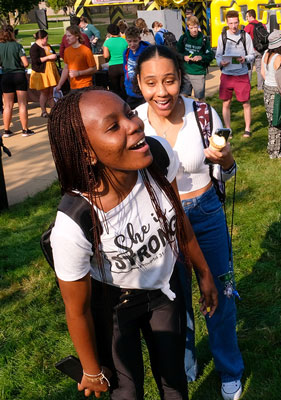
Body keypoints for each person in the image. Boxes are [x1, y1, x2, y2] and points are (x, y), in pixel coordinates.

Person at [47, 87, 218, 399]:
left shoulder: (158, 157)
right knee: (127, 391)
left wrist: (204, 273)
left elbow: (179, 220)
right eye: (114, 126)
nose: (134, 124)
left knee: (174, 382)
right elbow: (77, 309)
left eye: (129, 113)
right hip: (114, 306)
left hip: (165, 290)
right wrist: (90, 369)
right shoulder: (74, 224)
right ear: (86, 151)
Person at [134, 45, 244, 400]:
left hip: (206, 212)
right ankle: (186, 360)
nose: (161, 91)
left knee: (220, 296)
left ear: (181, 77)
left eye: (169, 80)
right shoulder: (134, 122)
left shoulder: (203, 113)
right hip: (160, 221)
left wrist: (226, 160)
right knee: (172, 299)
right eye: (151, 83)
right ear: (138, 83)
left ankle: (229, 368)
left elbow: (228, 172)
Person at [215, 10, 255, 138]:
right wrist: (221, 62)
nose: (233, 26)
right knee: (226, 102)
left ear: (239, 21)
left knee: (245, 102)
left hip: (241, 74)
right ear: (227, 23)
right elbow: (218, 56)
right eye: (231, 23)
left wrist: (245, 59)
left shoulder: (245, 36)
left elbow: (252, 55)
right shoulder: (222, 37)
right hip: (227, 75)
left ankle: (247, 129)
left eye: (236, 23)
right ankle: (228, 129)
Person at [0, 26, 33, 137]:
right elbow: (25, 63)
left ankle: (6, 130)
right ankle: (25, 130)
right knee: (22, 104)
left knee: (8, 105)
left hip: (6, 76)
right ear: (13, 33)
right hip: (18, 75)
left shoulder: (0, 46)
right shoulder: (18, 46)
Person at [261, 30, 281, 159]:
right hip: (277, 92)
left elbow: (262, 72)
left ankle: (272, 149)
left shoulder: (266, 54)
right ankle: (279, 150)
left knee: (272, 122)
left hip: (267, 89)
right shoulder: (279, 58)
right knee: (279, 121)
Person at [177, 16, 214, 100]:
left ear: (198, 26)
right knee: (183, 97)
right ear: (188, 28)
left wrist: (201, 57)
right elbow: (177, 53)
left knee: (200, 98)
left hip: (198, 73)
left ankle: (201, 113)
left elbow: (210, 55)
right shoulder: (184, 38)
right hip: (185, 72)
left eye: (195, 27)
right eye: (191, 28)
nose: (194, 30)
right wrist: (184, 57)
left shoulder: (204, 39)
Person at [56, 26, 97, 95]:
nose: (67, 39)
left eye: (69, 36)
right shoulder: (67, 51)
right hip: (73, 87)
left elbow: (94, 69)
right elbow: (66, 68)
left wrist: (79, 73)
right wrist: (59, 85)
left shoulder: (86, 50)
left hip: (86, 86)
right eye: (66, 36)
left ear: (77, 36)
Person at [29, 29, 60, 118]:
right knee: (44, 92)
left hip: (50, 71)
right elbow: (36, 61)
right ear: (41, 38)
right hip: (42, 73)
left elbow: (53, 54)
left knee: (51, 92)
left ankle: (54, 109)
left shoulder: (48, 45)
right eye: (46, 38)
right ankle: (43, 110)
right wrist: (48, 57)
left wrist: (54, 56)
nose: (47, 40)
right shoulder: (34, 48)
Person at [123, 26, 150, 109]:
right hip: (130, 90)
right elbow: (125, 69)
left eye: (135, 41)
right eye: (129, 41)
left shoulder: (147, 51)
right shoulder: (126, 52)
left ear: (139, 39)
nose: (132, 44)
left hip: (144, 90)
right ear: (126, 40)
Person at [103, 23, 128, 99]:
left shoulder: (107, 42)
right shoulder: (124, 40)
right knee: (124, 88)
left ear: (109, 33)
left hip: (113, 66)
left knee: (115, 89)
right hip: (124, 65)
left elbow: (106, 55)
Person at [244, 9, 266, 91]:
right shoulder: (262, 25)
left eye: (247, 17)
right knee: (259, 69)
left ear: (251, 16)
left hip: (251, 50)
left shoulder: (249, 26)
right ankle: (260, 87)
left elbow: (244, 38)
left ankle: (247, 87)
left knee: (249, 69)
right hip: (260, 50)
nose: (246, 18)